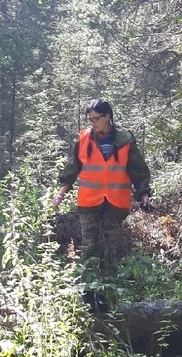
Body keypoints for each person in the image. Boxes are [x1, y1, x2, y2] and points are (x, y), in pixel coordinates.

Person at [51, 99, 152, 275]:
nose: (93, 123)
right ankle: (87, 285)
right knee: (89, 247)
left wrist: (144, 193)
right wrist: (60, 196)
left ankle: (110, 285)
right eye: (90, 119)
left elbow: (138, 170)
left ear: (107, 116)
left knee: (111, 248)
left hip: (116, 203)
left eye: (96, 118)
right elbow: (71, 171)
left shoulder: (125, 140)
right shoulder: (83, 140)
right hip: (88, 202)